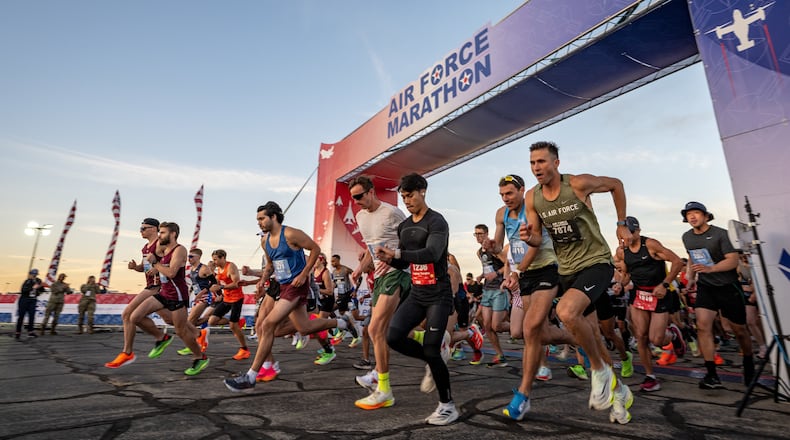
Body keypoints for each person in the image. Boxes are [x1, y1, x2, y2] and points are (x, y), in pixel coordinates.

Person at [519, 141, 633, 424]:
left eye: (542, 162)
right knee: (591, 336)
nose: (537, 168)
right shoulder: (533, 197)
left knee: (566, 312)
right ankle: (619, 393)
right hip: (567, 269)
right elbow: (536, 237)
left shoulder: (578, 184)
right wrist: (527, 237)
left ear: (556, 163)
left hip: (595, 262)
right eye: (533, 163)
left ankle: (599, 372)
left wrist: (621, 222)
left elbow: (616, 184)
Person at [223, 202, 357, 392]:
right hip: (283, 286)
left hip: (297, 286)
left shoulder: (291, 234)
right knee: (304, 327)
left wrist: (304, 274)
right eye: (257, 220)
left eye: (262, 218)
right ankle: (342, 323)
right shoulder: (265, 241)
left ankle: (251, 375)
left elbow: (315, 249)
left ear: (274, 217)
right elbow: (270, 266)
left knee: (267, 324)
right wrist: (262, 280)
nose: (259, 223)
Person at [376, 173, 458, 425]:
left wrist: (398, 253)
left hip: (438, 294)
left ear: (422, 191)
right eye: (403, 197)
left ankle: (448, 406)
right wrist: (391, 259)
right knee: (393, 336)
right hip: (417, 292)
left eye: (410, 195)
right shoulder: (405, 226)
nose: (407, 201)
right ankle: (434, 359)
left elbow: (432, 253)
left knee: (432, 348)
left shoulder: (437, 222)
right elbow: (406, 260)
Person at [494, 173, 574, 421]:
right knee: (535, 332)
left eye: (510, 193)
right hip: (524, 275)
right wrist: (490, 246)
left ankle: (522, 395)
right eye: (502, 195)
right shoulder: (501, 214)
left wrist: (517, 271)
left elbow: (536, 245)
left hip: (547, 268)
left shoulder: (534, 209)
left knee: (530, 329)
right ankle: (583, 338)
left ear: (521, 190)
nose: (506, 198)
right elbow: (499, 248)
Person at [346, 175, 411, 410]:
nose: (356, 201)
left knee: (374, 328)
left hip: (398, 273)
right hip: (379, 277)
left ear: (372, 192)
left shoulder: (392, 212)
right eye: (353, 198)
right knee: (385, 330)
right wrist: (360, 268)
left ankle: (384, 389)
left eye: (360, 196)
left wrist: (394, 256)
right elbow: (369, 247)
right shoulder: (361, 216)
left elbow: (411, 241)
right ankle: (436, 340)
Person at [681, 201, 755, 388]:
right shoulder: (687, 237)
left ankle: (748, 362)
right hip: (706, 288)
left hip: (728, 286)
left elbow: (733, 260)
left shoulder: (721, 234)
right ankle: (712, 375)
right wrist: (690, 277)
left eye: (696, 213)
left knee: (739, 330)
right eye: (689, 214)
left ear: (706, 216)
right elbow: (692, 257)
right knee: (703, 326)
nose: (692, 217)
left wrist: (711, 268)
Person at [124, 222, 208, 375]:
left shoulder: (180, 250)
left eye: (162, 233)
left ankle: (200, 357)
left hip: (177, 295)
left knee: (181, 331)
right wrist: (148, 267)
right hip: (163, 293)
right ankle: (161, 338)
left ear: (173, 234)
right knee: (134, 316)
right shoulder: (164, 251)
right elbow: (157, 268)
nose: (160, 236)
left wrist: (155, 263)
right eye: (160, 232)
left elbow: (172, 273)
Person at [616, 216, 684, 392]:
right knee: (641, 336)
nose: (626, 238)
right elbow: (626, 274)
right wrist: (619, 284)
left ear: (637, 231)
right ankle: (650, 376)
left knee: (657, 339)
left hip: (659, 293)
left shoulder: (651, 244)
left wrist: (665, 284)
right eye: (622, 235)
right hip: (639, 294)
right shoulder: (622, 252)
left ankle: (674, 335)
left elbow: (678, 262)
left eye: (629, 233)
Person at [105, 218, 164, 368]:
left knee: (128, 315)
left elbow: (174, 262)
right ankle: (196, 335)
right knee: (175, 322)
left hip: (159, 287)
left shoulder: (161, 243)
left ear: (154, 229)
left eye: (144, 228)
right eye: (140, 228)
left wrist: (158, 267)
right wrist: (135, 267)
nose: (141, 230)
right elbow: (144, 268)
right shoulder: (145, 248)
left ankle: (128, 352)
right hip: (150, 285)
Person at [473, 224, 509, 367]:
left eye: (481, 233)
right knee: (487, 325)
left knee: (497, 325)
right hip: (487, 290)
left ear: (487, 233)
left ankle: (523, 329)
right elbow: (488, 267)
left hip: (499, 289)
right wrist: (482, 275)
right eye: (476, 234)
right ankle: (500, 354)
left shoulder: (493, 248)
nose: (478, 236)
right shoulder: (479, 252)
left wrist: (498, 274)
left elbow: (508, 263)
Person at [206, 249, 250, 360]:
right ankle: (238, 322)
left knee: (233, 326)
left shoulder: (231, 267)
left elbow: (236, 284)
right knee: (212, 321)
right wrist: (218, 292)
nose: (214, 262)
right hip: (226, 299)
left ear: (223, 258)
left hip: (236, 299)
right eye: (213, 260)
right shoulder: (218, 269)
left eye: (215, 259)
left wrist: (221, 287)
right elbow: (217, 284)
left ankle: (244, 349)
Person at [176, 248, 217, 355]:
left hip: (204, 297)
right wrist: (190, 292)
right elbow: (194, 284)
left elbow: (214, 282)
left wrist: (203, 292)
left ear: (198, 257)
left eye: (191, 257)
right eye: (188, 256)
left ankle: (196, 340)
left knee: (189, 322)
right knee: (192, 322)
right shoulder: (192, 269)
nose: (189, 259)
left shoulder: (204, 268)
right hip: (197, 297)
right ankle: (201, 334)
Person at [16, 268, 44, 340]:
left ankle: (30, 331)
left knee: (32, 316)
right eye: (32, 275)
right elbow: (23, 290)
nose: (33, 276)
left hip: (33, 300)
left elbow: (42, 290)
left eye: (35, 275)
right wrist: (32, 288)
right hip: (24, 300)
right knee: (21, 316)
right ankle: (18, 331)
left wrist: (40, 287)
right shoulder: (27, 281)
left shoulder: (38, 281)